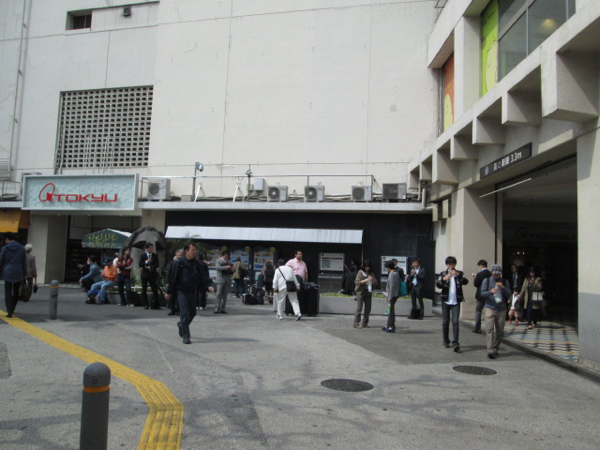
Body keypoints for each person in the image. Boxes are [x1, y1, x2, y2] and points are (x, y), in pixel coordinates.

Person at [165, 243, 214, 344]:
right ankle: (186, 336)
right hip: (181, 291)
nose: (194, 252)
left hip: (192, 291)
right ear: (186, 251)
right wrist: (169, 291)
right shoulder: (179, 263)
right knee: (184, 313)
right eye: (192, 250)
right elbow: (173, 278)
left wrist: (208, 285)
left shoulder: (197, 264)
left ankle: (181, 325)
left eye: (195, 250)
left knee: (193, 312)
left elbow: (204, 276)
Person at [436, 256, 469, 352]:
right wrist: (444, 279)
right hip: (446, 300)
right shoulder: (443, 273)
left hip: (456, 301)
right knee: (445, 322)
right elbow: (438, 285)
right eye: (449, 264)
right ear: (446, 265)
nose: (451, 266)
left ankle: (455, 342)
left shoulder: (459, 273)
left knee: (455, 321)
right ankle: (446, 340)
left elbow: (466, 282)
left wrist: (458, 275)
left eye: (453, 264)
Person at [481, 264, 510, 359]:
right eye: (494, 274)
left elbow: (509, 294)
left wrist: (503, 287)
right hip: (490, 307)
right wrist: (490, 292)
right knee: (489, 329)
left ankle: (495, 347)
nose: (496, 276)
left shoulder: (504, 281)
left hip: (501, 308)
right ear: (492, 273)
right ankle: (490, 350)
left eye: (498, 274)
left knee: (500, 331)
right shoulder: (487, 281)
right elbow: (482, 293)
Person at [0, 232, 27, 318]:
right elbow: (24, 261)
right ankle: (13, 307)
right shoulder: (21, 248)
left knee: (8, 291)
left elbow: (1, 260)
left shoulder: (5, 248)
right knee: (16, 291)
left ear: (7, 239)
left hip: (7, 271)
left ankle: (9, 310)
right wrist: (25, 273)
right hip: (18, 271)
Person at [353, 260, 378, 329]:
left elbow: (376, 283)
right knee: (359, 308)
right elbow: (356, 282)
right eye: (366, 267)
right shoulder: (360, 272)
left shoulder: (371, 273)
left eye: (368, 267)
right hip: (360, 292)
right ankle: (356, 323)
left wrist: (372, 280)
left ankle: (365, 323)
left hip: (368, 292)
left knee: (368, 308)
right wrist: (365, 280)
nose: (367, 268)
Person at [139, 242, 160, 310]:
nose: (151, 249)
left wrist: (151, 266)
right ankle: (146, 304)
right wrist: (146, 262)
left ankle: (156, 304)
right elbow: (140, 264)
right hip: (145, 274)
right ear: (147, 249)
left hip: (152, 274)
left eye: (152, 248)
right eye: (150, 248)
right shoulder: (143, 255)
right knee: (144, 289)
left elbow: (157, 264)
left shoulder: (155, 255)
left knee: (154, 289)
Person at [472, 259, 490, 334]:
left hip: (480, 294)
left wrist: (475, 277)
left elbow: (475, 284)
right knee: (489, 311)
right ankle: (489, 328)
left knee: (478, 311)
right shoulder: (490, 274)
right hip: (489, 294)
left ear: (481, 266)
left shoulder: (479, 274)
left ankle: (477, 328)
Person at [382, 260, 400, 333]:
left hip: (392, 295)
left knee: (391, 311)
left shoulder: (391, 274)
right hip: (394, 294)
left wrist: (390, 296)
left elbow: (392, 286)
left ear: (388, 267)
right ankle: (388, 324)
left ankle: (392, 326)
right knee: (389, 310)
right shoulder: (396, 273)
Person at [165, 250, 182, 315]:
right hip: (172, 282)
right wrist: (167, 281)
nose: (179, 256)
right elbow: (168, 273)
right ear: (176, 256)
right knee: (172, 297)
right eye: (178, 255)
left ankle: (178, 310)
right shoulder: (172, 263)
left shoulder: (183, 263)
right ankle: (172, 310)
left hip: (180, 282)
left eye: (180, 255)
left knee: (179, 297)